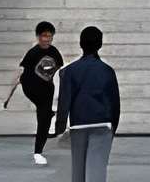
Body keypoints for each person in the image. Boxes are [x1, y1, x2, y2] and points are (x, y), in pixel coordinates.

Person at [51, 27, 122, 179]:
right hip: (102, 124)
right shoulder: (107, 71)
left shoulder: (69, 71)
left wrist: (60, 127)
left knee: (78, 171)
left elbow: (64, 101)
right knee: (97, 170)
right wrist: (113, 127)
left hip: (79, 125)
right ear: (100, 44)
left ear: (81, 44)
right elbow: (114, 102)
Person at [15, 21, 64, 166]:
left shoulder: (54, 52)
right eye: (44, 36)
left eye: (50, 36)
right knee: (44, 114)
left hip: (47, 90)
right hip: (31, 88)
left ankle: (38, 151)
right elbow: (22, 71)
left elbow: (59, 67)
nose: (47, 39)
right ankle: (48, 114)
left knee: (44, 118)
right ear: (38, 37)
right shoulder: (33, 53)